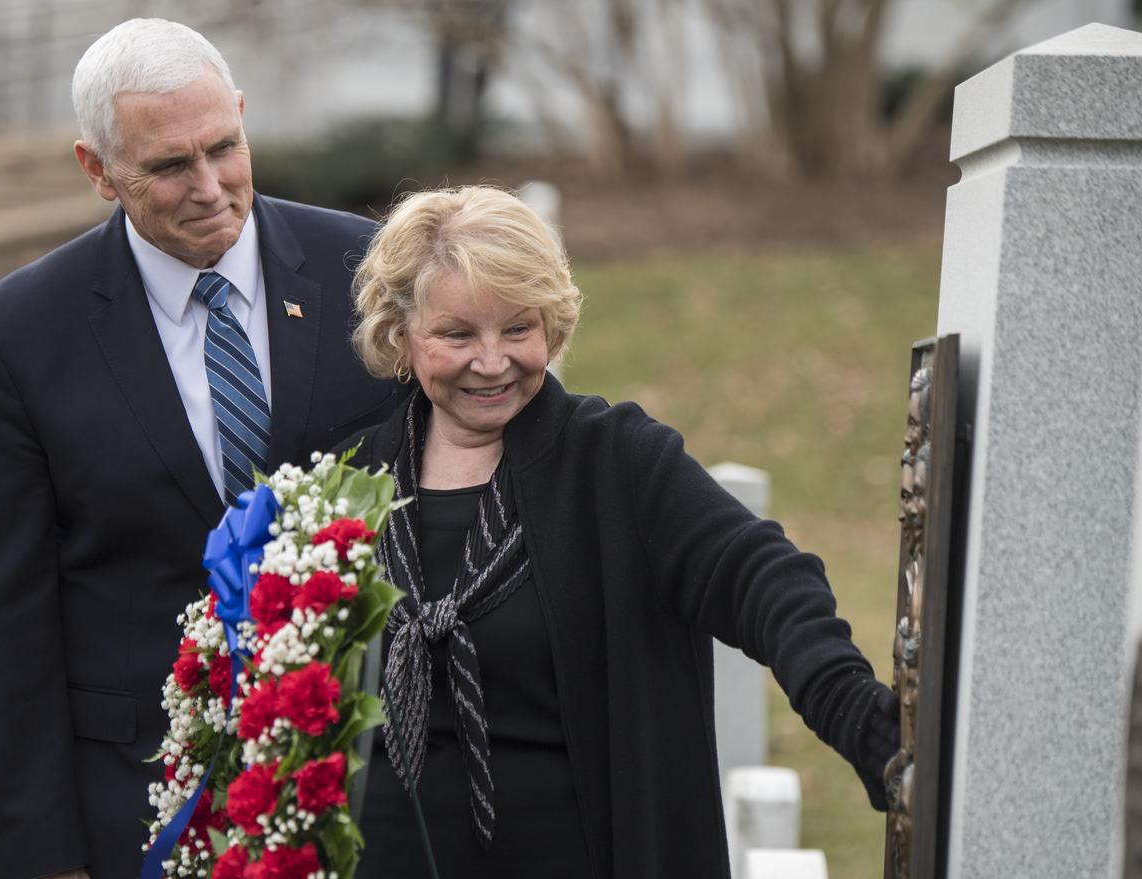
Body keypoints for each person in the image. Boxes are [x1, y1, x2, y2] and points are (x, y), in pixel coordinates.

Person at [0, 19, 403, 879]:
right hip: (134, 806)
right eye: (167, 166)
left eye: (223, 147)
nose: (209, 186)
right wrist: (38, 858)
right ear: (97, 170)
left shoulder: (369, 272)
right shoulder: (17, 338)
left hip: (361, 789)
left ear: (239, 115)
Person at [339, 186, 900, 877]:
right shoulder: (348, 481)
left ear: (553, 323)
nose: (492, 361)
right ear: (401, 335)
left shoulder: (616, 462)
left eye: (518, 328)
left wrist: (853, 708)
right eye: (458, 334)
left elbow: (758, 572)